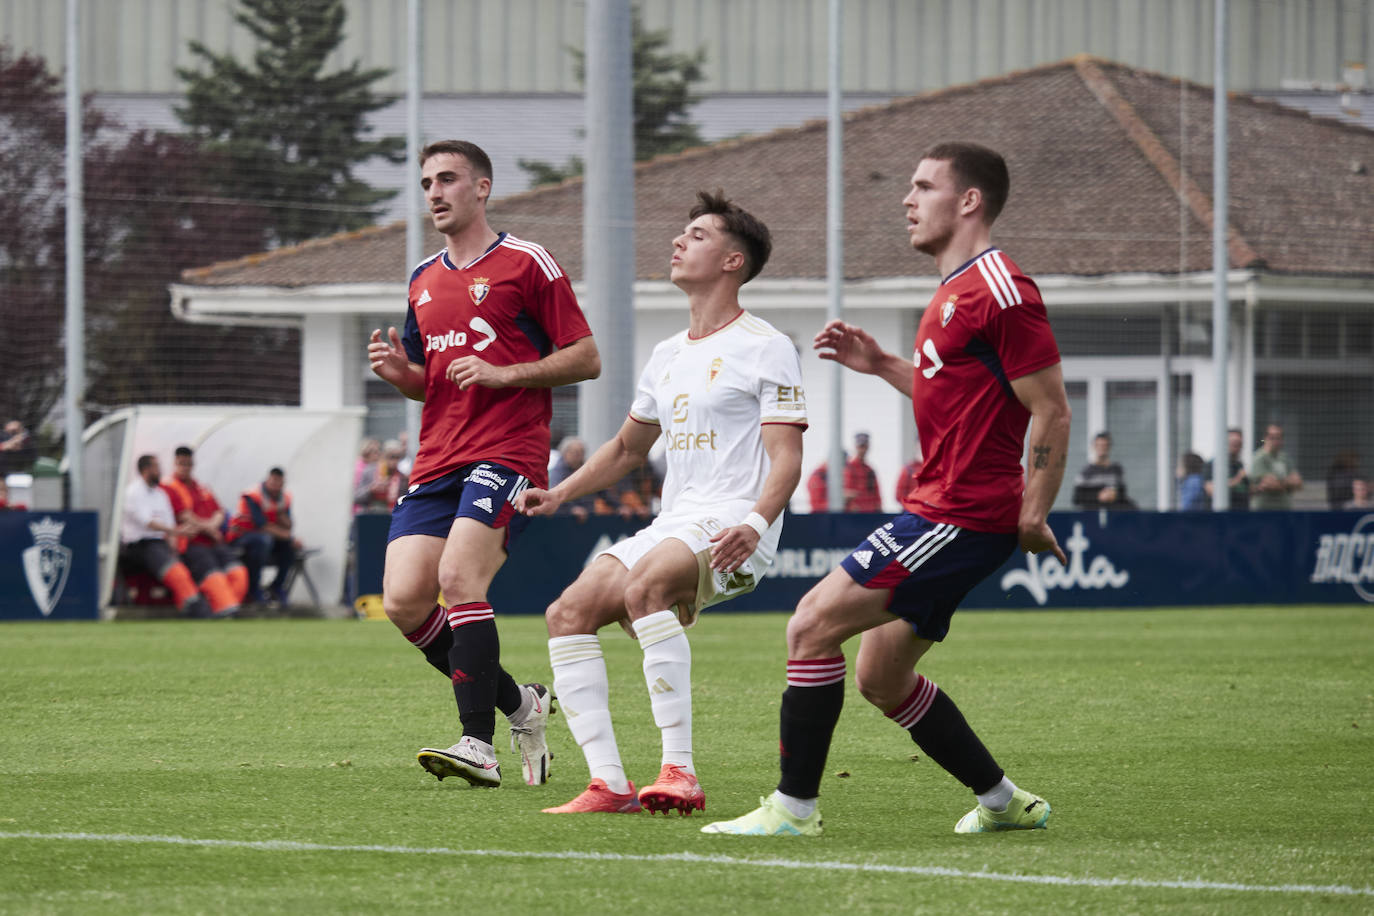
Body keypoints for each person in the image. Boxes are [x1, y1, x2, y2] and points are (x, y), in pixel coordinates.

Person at [703, 142, 1070, 837]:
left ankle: (793, 810)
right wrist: (882, 366)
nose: (908, 198)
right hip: (953, 511)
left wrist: (1034, 510)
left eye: (924, 186)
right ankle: (1004, 803)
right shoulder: (956, 290)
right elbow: (959, 397)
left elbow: (1051, 407)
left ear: (969, 202)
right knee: (881, 677)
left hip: (959, 514)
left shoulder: (1000, 288)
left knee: (811, 625)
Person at [517, 189, 806, 816]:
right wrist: (560, 492)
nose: (679, 241)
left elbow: (786, 457)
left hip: (736, 519)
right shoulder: (667, 354)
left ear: (734, 261)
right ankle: (609, 785)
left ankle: (680, 772)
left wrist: (758, 523)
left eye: (698, 235)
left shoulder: (767, 345)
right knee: (566, 611)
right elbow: (626, 449)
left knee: (645, 588)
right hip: (675, 519)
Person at [366, 139, 600, 788]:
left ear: (483, 188)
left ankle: (478, 745)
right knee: (405, 602)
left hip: (508, 453)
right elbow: (432, 381)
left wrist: (507, 373)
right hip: (437, 459)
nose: (435, 193)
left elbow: (586, 357)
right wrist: (400, 375)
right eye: (426, 183)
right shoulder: (422, 279)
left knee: (459, 578)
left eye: (448, 179)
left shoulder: (527, 263)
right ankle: (522, 706)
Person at [119, 455, 215, 618]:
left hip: (159, 543)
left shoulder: (160, 494)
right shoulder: (133, 492)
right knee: (174, 571)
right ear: (146, 470)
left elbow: (169, 522)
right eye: (156, 467)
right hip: (139, 546)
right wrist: (177, 532)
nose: (160, 471)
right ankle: (196, 608)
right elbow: (148, 523)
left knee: (183, 564)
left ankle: (194, 604)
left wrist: (174, 548)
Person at [161, 446, 246, 617]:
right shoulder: (169, 487)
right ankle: (224, 610)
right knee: (213, 575)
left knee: (238, 572)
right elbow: (183, 515)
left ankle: (225, 608)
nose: (185, 468)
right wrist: (209, 528)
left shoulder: (202, 488)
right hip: (191, 543)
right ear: (174, 464)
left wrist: (211, 527)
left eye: (188, 464)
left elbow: (220, 512)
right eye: (181, 464)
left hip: (213, 542)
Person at [227, 467, 302, 605]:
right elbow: (261, 525)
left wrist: (281, 514)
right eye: (273, 481)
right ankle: (253, 589)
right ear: (267, 480)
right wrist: (289, 537)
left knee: (288, 548)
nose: (275, 486)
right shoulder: (253, 495)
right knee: (264, 541)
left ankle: (277, 586)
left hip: (265, 537)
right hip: (241, 536)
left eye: (279, 482)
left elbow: (288, 525)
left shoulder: (283, 498)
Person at [1071, 432, 1133, 510]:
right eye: (1099, 445)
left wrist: (1115, 495)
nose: (1102, 448)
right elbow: (1077, 498)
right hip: (1092, 513)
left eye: (1105, 445)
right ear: (1094, 447)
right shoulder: (1085, 472)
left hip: (1114, 514)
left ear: (1109, 447)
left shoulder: (1117, 470)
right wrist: (1098, 496)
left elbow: (1123, 493)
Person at [1250, 423, 1303, 510]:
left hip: (1284, 510)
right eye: (1272, 437)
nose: (1275, 441)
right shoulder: (1259, 458)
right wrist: (1288, 483)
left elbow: (1299, 483)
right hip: (1264, 510)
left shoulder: (1285, 458)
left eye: (1278, 437)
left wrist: (1279, 482)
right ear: (1265, 438)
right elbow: (1270, 485)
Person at [548, 436, 597, 520]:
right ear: (565, 453)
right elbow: (556, 494)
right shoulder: (558, 471)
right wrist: (572, 509)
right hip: (563, 518)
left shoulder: (587, 469)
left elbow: (601, 489)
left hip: (588, 517)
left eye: (582, 452)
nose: (579, 456)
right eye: (575, 452)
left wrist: (619, 506)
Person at [1204, 428, 1249, 511]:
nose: (1237, 448)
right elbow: (1212, 490)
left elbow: (1245, 491)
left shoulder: (1239, 465)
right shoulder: (1213, 465)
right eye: (1233, 444)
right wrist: (1236, 480)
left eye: (1239, 444)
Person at [843, 432, 882, 511]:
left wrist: (879, 508)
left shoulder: (870, 470)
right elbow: (847, 492)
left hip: (870, 512)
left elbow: (876, 494)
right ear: (856, 447)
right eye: (861, 446)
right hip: (855, 514)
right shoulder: (849, 468)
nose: (863, 449)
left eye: (864, 446)